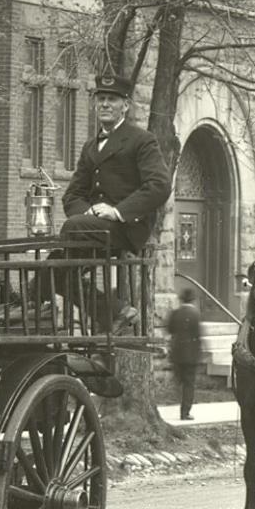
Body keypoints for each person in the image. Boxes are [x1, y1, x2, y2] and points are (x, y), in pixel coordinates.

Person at [58, 71, 171, 333]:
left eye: (112, 99)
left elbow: (160, 185)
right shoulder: (90, 146)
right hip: (95, 227)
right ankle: (116, 311)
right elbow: (71, 195)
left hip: (126, 227)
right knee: (50, 271)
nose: (105, 104)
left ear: (126, 105)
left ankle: (111, 311)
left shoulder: (141, 140)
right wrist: (88, 211)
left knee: (71, 230)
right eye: (101, 99)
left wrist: (117, 211)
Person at [165, 288, 204, 420]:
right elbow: (198, 334)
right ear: (192, 300)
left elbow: (170, 329)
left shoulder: (175, 313)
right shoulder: (195, 314)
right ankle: (185, 411)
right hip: (191, 354)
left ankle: (176, 400)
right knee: (189, 383)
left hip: (177, 352)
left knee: (180, 380)